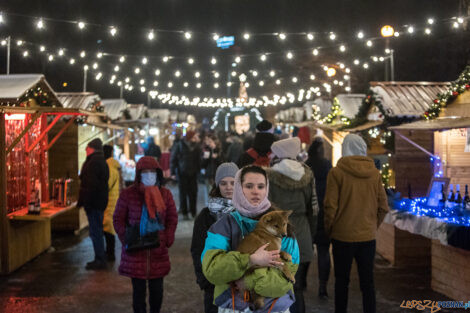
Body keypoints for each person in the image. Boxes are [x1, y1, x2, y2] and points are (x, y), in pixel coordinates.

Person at [202, 165, 300, 313]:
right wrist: (250, 260)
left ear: (266, 189)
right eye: (249, 186)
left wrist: (248, 280)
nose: (255, 191)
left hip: (274, 307)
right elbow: (212, 270)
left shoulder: (283, 226)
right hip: (234, 305)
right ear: (239, 189)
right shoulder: (224, 225)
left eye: (261, 186)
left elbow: (287, 277)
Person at [323, 134, 389, 313]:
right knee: (368, 282)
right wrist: (371, 226)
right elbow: (383, 206)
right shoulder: (374, 173)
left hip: (342, 236)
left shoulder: (336, 173)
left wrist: (330, 228)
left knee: (342, 281)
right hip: (367, 237)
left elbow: (330, 207)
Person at [113, 156, 178, 313]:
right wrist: (126, 238)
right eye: (145, 172)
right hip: (136, 253)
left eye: (152, 171)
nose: (149, 175)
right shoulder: (128, 194)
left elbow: (172, 218)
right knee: (138, 294)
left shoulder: (165, 194)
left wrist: (167, 238)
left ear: (158, 174)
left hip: (158, 252)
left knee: (157, 292)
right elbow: (118, 219)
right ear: (138, 174)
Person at [265, 137, 319, 313]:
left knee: (279, 285)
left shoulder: (269, 176)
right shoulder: (307, 174)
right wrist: (312, 235)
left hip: (277, 235)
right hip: (302, 234)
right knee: (298, 287)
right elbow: (314, 209)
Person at [191, 162, 239, 313]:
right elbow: (197, 249)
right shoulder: (206, 216)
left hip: (241, 283)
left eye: (233, 182)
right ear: (217, 185)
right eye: (223, 183)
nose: (228, 187)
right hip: (214, 282)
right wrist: (205, 281)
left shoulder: (246, 212)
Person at [305, 137, 332, 299]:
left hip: (310, 214)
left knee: (307, 251)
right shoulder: (328, 166)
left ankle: (302, 281)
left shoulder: (306, 166)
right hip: (324, 213)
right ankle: (323, 287)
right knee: (323, 252)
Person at [77, 138, 109, 270]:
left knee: (95, 232)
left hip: (94, 203)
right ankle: (100, 257)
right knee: (97, 231)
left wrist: (86, 202)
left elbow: (90, 186)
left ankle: (100, 259)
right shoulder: (100, 161)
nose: (85, 149)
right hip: (99, 201)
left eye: (87, 147)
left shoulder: (93, 163)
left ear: (93, 148)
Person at [170, 130, 202, 219]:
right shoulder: (179, 145)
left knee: (193, 193)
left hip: (193, 173)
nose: (196, 138)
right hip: (182, 173)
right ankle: (184, 213)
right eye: (194, 136)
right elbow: (173, 159)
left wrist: (199, 171)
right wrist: (172, 172)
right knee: (183, 194)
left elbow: (199, 160)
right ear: (190, 137)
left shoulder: (197, 147)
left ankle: (193, 212)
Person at [103, 144, 122, 262]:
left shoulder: (109, 168)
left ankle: (110, 254)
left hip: (109, 201)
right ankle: (110, 253)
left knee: (109, 229)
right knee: (109, 228)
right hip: (113, 200)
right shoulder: (113, 167)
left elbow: (107, 185)